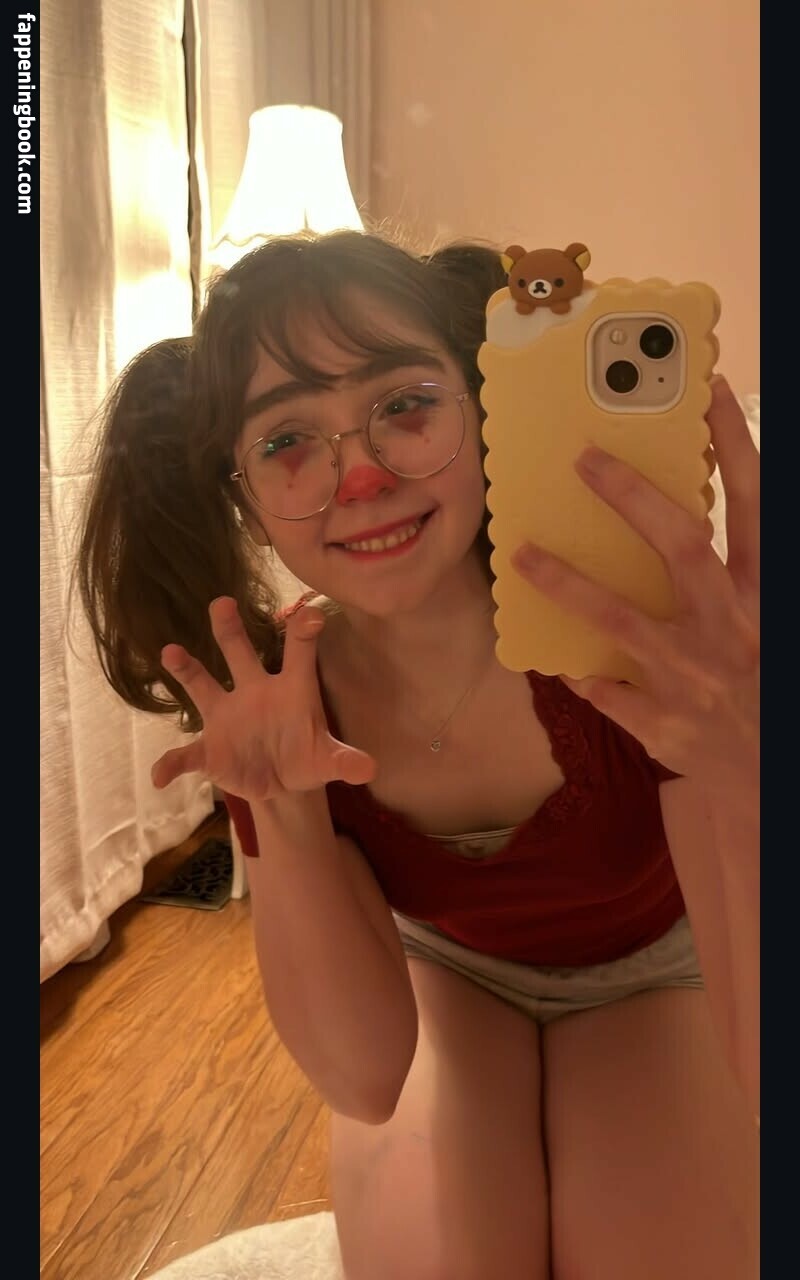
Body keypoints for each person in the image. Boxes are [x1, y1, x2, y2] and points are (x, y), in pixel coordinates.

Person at [76, 229, 759, 1280]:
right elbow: (361, 1074)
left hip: (662, 970)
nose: (359, 478)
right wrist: (284, 809)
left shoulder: (624, 640)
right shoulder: (283, 704)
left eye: (403, 404)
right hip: (453, 975)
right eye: (286, 439)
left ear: (484, 410)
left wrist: (750, 763)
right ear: (239, 493)